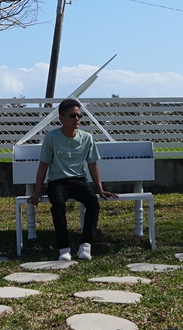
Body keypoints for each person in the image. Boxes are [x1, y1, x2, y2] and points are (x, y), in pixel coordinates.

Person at [27, 98, 117, 260]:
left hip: (78, 181)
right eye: (73, 116)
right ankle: (64, 248)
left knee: (92, 202)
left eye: (79, 116)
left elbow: (92, 165)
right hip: (57, 182)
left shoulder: (87, 138)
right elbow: (43, 165)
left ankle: (85, 246)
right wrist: (37, 191)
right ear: (61, 119)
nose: (77, 120)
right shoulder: (52, 137)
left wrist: (100, 189)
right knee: (58, 204)